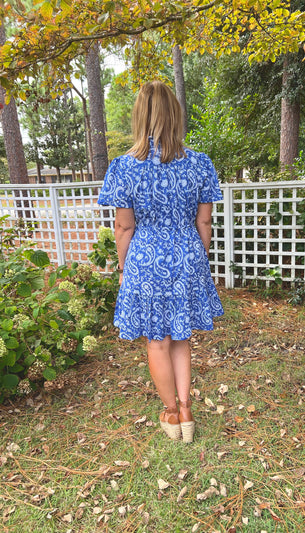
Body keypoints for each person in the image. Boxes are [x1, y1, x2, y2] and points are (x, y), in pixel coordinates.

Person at [97, 81, 224, 443]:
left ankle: (171, 411)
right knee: (181, 335)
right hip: (187, 254)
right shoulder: (200, 163)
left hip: (146, 260)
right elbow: (204, 221)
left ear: (140, 116)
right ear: (175, 115)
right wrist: (196, 259)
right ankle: (186, 408)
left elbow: (124, 226)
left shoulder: (124, 167)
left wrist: (123, 270)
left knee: (158, 340)